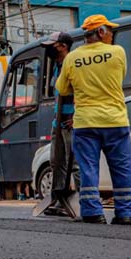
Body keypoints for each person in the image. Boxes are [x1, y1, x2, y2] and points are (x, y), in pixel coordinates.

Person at [55, 14, 131, 225]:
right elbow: (119, 78)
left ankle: (93, 213)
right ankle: (125, 214)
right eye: (109, 31)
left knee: (89, 168)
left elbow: (62, 88)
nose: (111, 35)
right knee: (122, 167)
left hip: (86, 122)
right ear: (100, 32)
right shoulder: (117, 52)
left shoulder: (72, 58)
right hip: (116, 120)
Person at [41, 31, 79, 217]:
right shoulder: (57, 66)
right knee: (57, 162)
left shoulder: (73, 64)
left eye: (52, 45)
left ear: (63, 45)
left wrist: (77, 116)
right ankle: (58, 199)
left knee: (75, 163)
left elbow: (82, 91)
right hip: (58, 122)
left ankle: (83, 200)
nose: (49, 49)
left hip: (71, 122)